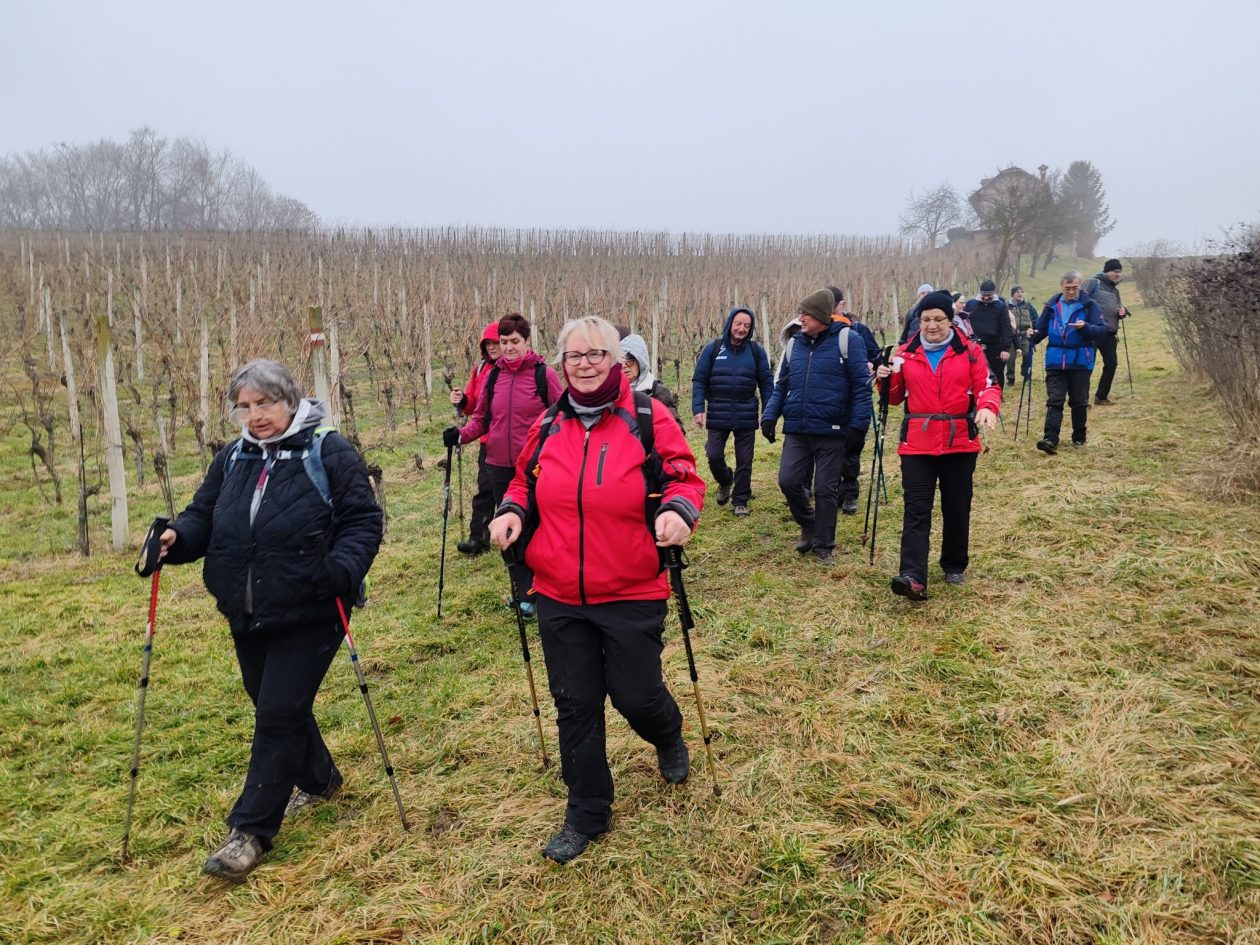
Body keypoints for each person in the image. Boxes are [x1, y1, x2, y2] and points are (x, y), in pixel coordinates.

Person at [153, 359, 383, 880]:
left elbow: (363, 520)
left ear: (290, 399)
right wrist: (178, 538)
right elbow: (203, 517)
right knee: (273, 700)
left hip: (313, 607)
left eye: (265, 403)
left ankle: (251, 830)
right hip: (248, 609)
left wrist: (340, 570)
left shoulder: (328, 450)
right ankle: (321, 779)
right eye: (245, 406)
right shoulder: (233, 457)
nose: (255, 415)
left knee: (277, 712)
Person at [489, 316, 705, 865]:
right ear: (562, 363)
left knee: (636, 695)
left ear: (619, 361)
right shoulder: (546, 426)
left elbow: (684, 477)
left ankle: (667, 732)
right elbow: (522, 480)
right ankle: (587, 810)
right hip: (558, 592)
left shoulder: (649, 420)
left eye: (597, 354)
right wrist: (513, 511)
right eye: (575, 355)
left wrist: (680, 511)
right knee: (576, 703)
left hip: (631, 588)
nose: (585, 364)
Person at [875, 292, 1000, 601]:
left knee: (956, 506)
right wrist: (884, 378)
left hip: (959, 441)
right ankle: (913, 576)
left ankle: (954, 563)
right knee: (916, 509)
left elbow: (987, 385)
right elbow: (893, 397)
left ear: (950, 320)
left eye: (939, 319)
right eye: (926, 319)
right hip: (918, 443)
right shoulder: (904, 353)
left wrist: (987, 407)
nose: (932, 325)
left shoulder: (969, 352)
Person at [445, 312, 562, 617]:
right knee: (508, 531)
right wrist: (460, 435)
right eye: (504, 342)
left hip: (535, 467)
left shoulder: (544, 375)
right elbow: (482, 419)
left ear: (526, 342)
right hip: (497, 465)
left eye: (514, 341)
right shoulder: (493, 376)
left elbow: (561, 417)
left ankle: (544, 590)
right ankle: (522, 592)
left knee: (537, 528)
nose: (509, 347)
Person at [762, 289, 872, 564]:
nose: (801, 318)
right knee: (788, 480)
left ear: (822, 316)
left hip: (832, 430)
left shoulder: (849, 340)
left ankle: (824, 543)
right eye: (800, 313)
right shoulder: (794, 345)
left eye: (806, 314)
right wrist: (770, 415)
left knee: (825, 489)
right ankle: (809, 524)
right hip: (797, 428)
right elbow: (782, 385)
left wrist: (858, 426)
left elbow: (861, 388)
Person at [690, 306, 773, 516]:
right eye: (738, 324)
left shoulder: (756, 351)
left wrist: (768, 410)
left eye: (747, 325)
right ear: (730, 324)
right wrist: (698, 408)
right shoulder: (714, 349)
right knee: (713, 455)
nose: (742, 329)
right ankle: (726, 480)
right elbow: (699, 380)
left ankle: (741, 500)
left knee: (745, 459)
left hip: (746, 411)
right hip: (718, 410)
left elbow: (766, 383)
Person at [1029, 271, 1108, 454]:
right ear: (1061, 286)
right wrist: (1033, 335)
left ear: (1080, 286)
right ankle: (1050, 439)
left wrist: (1085, 327)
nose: (1072, 292)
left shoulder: (1090, 306)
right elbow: (1040, 330)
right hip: (1055, 361)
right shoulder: (1051, 306)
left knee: (1079, 401)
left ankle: (1079, 437)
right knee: (1055, 400)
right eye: (1068, 288)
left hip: (1080, 361)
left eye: (1075, 288)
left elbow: (1102, 331)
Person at [827, 285, 881, 515]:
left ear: (842, 304)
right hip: (829, 402)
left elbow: (878, 358)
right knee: (829, 451)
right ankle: (831, 492)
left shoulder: (858, 330)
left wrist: (872, 367)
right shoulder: (819, 333)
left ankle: (849, 494)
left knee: (850, 451)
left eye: (834, 306)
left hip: (853, 400)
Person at [452, 322, 500, 555]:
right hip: (487, 440)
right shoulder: (480, 370)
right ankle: (478, 539)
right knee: (485, 490)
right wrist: (462, 400)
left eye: (495, 343)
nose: (492, 347)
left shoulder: (513, 371)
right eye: (487, 344)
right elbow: (474, 405)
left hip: (515, 441)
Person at [1082, 259, 1128, 405]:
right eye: (1116, 272)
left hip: (1109, 332)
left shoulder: (1115, 290)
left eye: (1120, 272)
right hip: (1092, 331)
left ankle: (1101, 397)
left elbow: (1118, 306)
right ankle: (1082, 399)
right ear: (1107, 271)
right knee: (1087, 365)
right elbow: (1080, 301)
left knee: (1112, 364)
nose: (1118, 275)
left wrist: (1122, 312)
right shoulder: (1093, 283)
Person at [621, 332, 682, 424]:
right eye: (621, 361)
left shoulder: (657, 392)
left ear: (640, 361)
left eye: (629, 361)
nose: (624, 366)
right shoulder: (615, 393)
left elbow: (674, 427)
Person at [964, 280, 1013, 389]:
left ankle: (997, 395)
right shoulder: (971, 305)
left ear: (994, 293)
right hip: (975, 345)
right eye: (984, 295)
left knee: (996, 372)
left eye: (989, 295)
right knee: (975, 372)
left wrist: (1005, 348)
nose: (986, 298)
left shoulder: (1001, 307)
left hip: (995, 346)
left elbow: (1006, 328)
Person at [1006, 286, 1037, 384]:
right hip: (1012, 336)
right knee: (1010, 358)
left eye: (1021, 292)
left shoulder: (1028, 305)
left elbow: (1036, 318)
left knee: (1028, 355)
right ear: (1013, 294)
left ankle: (1026, 374)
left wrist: (1034, 330)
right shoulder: (1007, 306)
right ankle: (1010, 378)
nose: (1020, 294)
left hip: (1025, 335)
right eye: (1017, 292)